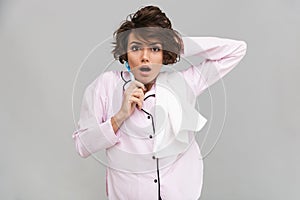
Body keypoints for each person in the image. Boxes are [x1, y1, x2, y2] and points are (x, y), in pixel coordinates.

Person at [73, 5, 247, 200]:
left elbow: (236, 50)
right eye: (136, 48)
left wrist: (176, 44)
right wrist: (120, 116)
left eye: (154, 49)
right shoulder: (105, 85)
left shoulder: (183, 83)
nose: (145, 56)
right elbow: (82, 145)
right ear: (126, 53)